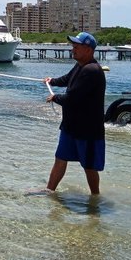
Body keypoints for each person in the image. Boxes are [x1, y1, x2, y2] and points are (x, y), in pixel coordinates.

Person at [43, 31, 106, 195]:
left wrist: (54, 97)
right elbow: (67, 79)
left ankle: (95, 199)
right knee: (60, 159)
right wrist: (52, 81)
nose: (73, 49)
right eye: (73, 46)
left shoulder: (92, 70)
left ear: (88, 50)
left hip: (88, 130)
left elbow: (73, 98)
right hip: (71, 126)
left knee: (89, 167)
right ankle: (49, 191)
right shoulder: (80, 66)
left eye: (77, 47)